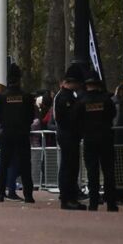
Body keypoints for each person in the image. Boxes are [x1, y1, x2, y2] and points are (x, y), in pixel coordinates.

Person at [80, 72, 119, 212]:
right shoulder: (106, 100)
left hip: (90, 138)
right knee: (109, 171)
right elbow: (112, 114)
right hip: (106, 138)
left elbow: (77, 118)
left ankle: (93, 203)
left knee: (92, 172)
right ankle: (111, 203)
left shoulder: (82, 101)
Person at [0, 79, 36, 203]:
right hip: (22, 133)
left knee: (4, 164)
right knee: (25, 165)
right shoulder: (26, 96)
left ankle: (0, 193)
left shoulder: (2, 97)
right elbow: (31, 115)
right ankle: (28, 194)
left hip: (7, 133)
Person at [54, 64, 87, 209]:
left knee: (69, 166)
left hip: (68, 134)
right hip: (68, 135)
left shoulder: (65, 96)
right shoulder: (65, 98)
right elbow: (69, 118)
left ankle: (68, 196)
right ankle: (68, 198)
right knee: (70, 167)